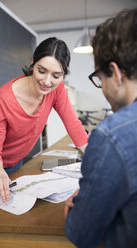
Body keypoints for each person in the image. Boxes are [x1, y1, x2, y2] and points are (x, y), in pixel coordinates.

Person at [0, 37, 88, 202]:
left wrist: (93, 156)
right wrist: (1, 176)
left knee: (10, 205)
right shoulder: (3, 98)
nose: (47, 82)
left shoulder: (57, 89)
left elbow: (73, 125)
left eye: (56, 75)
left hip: (14, 158)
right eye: (41, 71)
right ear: (33, 62)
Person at [65, 8, 137, 248]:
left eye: (100, 78)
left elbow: (82, 233)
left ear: (115, 74)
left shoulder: (112, 135)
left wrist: (83, 202)